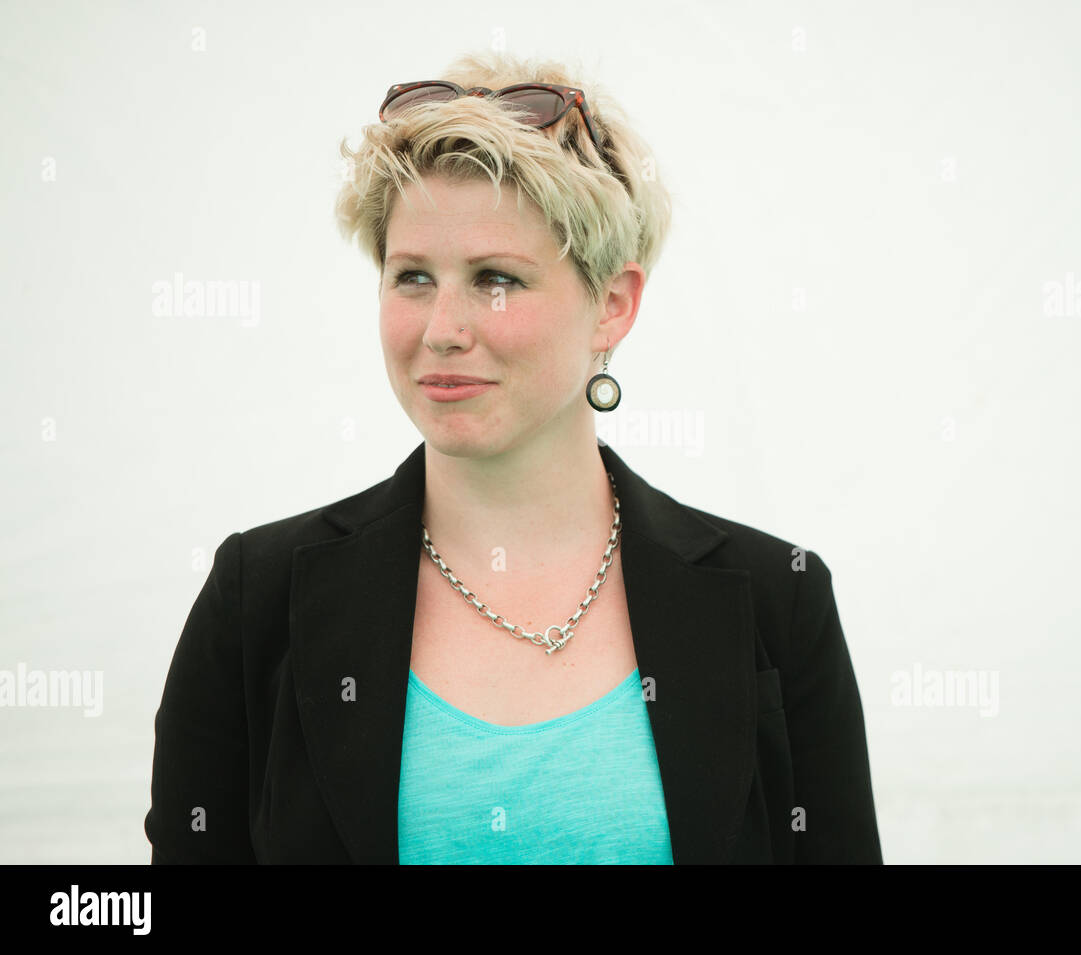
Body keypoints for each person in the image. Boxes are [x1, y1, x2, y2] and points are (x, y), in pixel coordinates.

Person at [144, 50, 883, 864]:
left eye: (495, 279)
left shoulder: (779, 601)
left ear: (613, 303)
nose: (443, 328)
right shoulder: (258, 597)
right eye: (413, 277)